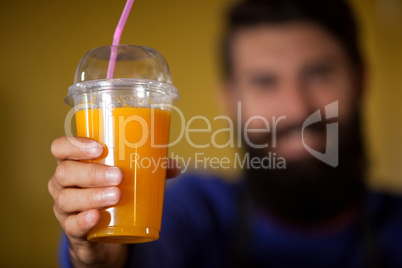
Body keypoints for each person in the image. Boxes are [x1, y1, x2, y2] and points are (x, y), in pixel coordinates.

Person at [48, 0, 402, 267]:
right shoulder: (197, 210)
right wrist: (104, 254)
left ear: (360, 80)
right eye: (265, 81)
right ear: (231, 99)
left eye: (319, 73)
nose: (297, 108)